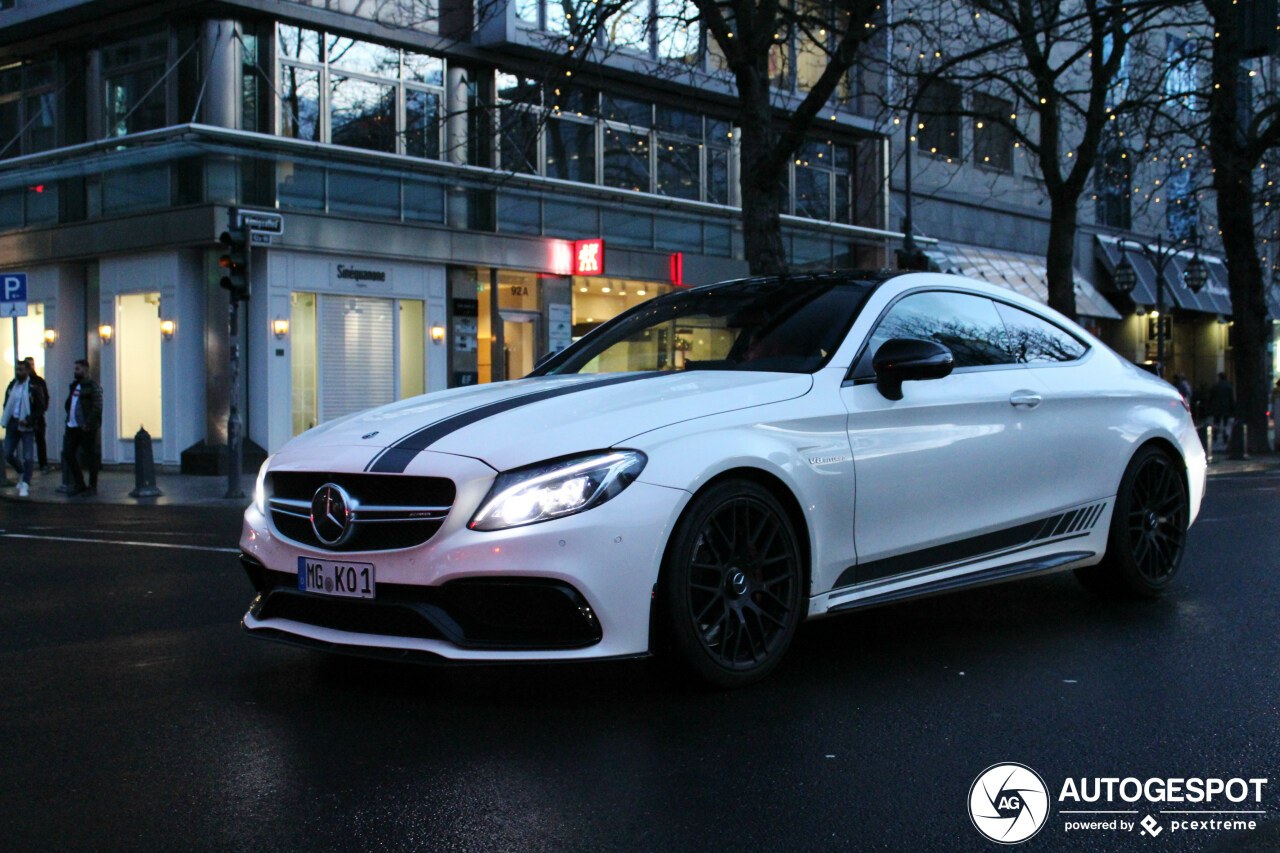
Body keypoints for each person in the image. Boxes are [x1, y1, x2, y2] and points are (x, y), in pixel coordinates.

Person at [3, 360, 47, 497]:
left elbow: (41, 406)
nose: (18, 372)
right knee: (8, 453)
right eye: (17, 370)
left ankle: (26, 483)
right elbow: (7, 403)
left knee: (28, 456)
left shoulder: (34, 387)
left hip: (27, 424)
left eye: (21, 370)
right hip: (13, 422)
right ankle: (21, 471)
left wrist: (29, 419)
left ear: (27, 371)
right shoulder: (12, 386)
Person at [63, 357, 102, 497]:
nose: (75, 371)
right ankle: (79, 483)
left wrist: (89, 424)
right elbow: (70, 404)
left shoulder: (92, 386)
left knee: (90, 456)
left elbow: (97, 407)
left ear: (86, 369)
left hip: (86, 427)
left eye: (77, 369)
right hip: (73, 426)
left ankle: (92, 486)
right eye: (75, 369)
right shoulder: (75, 386)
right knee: (68, 454)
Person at [22, 357, 49, 472]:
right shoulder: (22, 382)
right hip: (26, 416)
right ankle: (29, 464)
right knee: (28, 441)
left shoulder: (38, 381)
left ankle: (43, 464)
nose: (31, 367)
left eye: (32, 364)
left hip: (37, 417)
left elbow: (45, 397)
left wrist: (42, 410)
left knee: (40, 440)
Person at [1209, 372, 1235, 446]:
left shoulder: (1215, 386)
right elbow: (1231, 398)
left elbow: (1211, 397)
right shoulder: (1229, 386)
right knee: (1225, 423)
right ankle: (1225, 436)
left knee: (1216, 422)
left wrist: (1210, 406)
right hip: (1226, 407)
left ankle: (1215, 435)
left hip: (1217, 407)